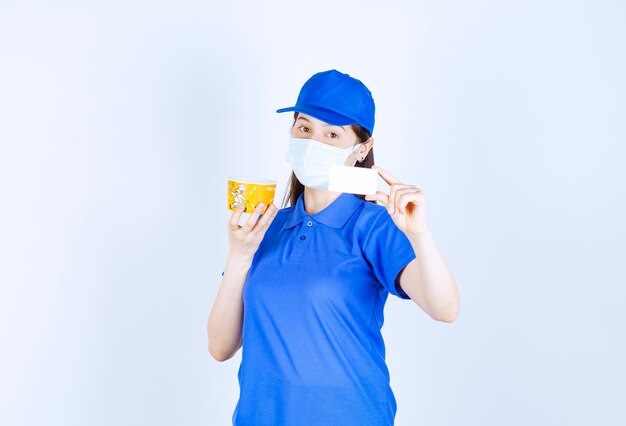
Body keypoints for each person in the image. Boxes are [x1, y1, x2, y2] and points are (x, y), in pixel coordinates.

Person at [208, 69, 460, 425]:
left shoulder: (372, 225)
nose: (313, 142)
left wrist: (419, 233)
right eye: (305, 128)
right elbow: (220, 348)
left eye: (332, 135)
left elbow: (445, 308)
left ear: (363, 148)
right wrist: (239, 255)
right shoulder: (265, 227)